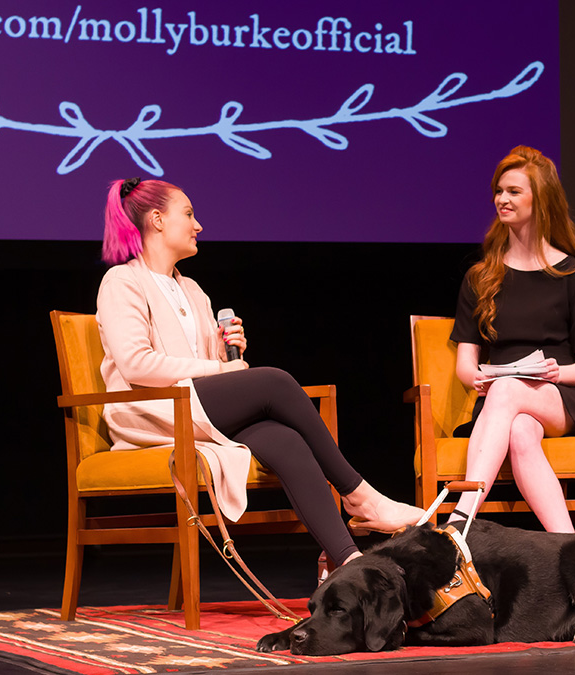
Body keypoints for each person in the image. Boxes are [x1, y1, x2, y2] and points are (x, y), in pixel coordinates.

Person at [95, 177, 423, 573]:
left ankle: (348, 564)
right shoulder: (122, 281)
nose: (198, 226)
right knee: (274, 382)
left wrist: (223, 350)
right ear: (158, 220)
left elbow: (198, 365)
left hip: (193, 406)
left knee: (284, 439)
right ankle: (359, 494)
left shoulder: (194, 290)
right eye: (189, 214)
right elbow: (136, 364)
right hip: (152, 412)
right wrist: (222, 369)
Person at [447, 146, 575, 533]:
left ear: (541, 200)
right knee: (518, 430)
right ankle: (567, 547)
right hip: (500, 398)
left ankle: (459, 521)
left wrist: (555, 373)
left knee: (505, 393)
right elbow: (465, 363)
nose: (502, 199)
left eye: (514, 191)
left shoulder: (571, 274)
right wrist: (477, 378)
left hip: (559, 395)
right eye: (499, 191)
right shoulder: (480, 276)